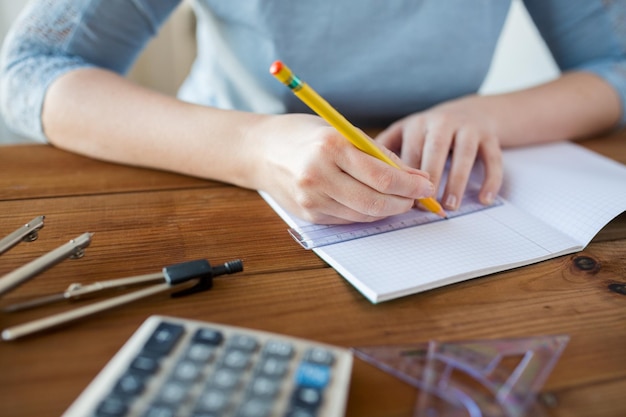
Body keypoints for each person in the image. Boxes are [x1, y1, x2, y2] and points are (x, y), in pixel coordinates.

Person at [0, 1, 623, 225]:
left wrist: (492, 114)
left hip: (437, 200)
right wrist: (251, 147)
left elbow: (615, 61)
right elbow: (28, 70)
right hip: (218, 181)